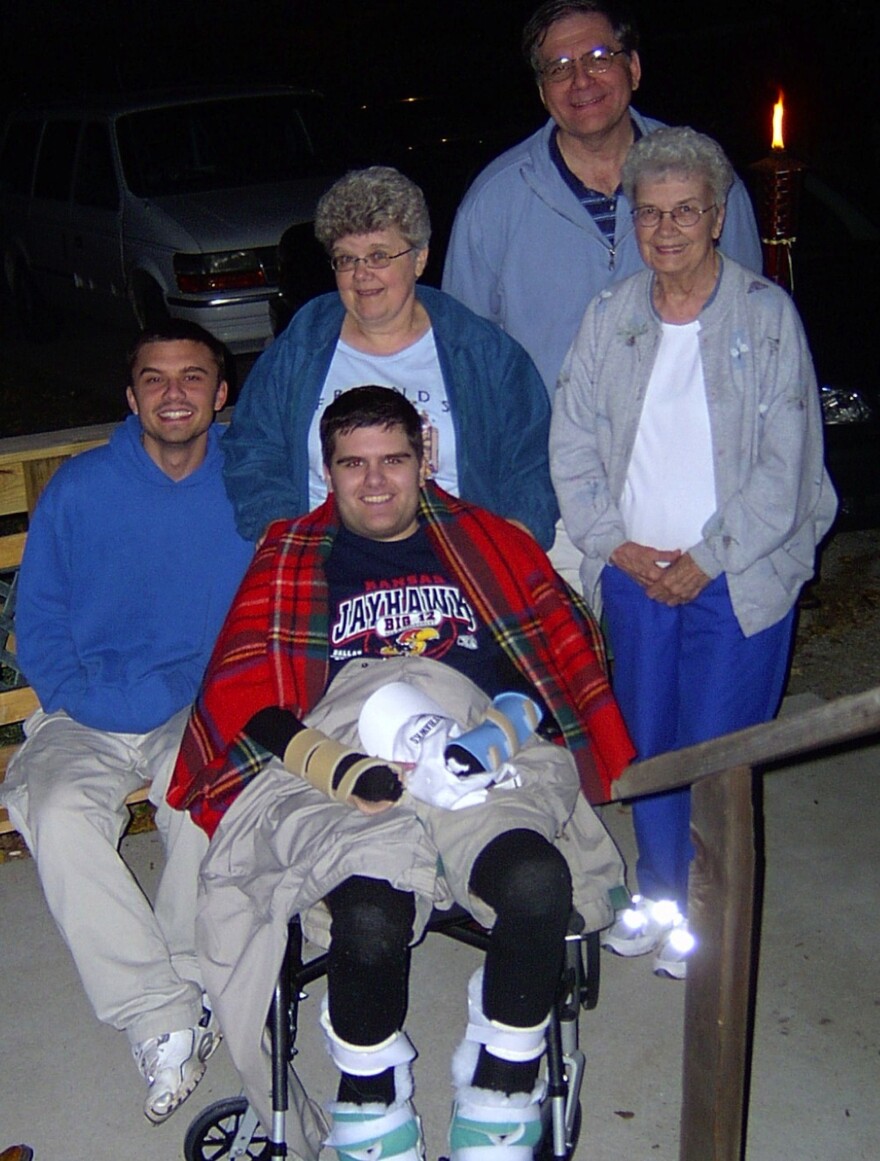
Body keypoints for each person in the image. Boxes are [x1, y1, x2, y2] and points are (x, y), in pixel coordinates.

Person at [168, 386, 634, 1161]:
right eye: (354, 464)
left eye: (393, 460)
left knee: (536, 883)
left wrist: (494, 732)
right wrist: (339, 767)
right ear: (328, 471)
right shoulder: (290, 554)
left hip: (473, 735)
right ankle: (370, 1102)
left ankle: (501, 1080)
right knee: (369, 918)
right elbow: (252, 707)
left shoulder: (489, 543)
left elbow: (544, 678)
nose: (376, 481)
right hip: (341, 749)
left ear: (425, 459)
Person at [550, 126, 837, 979]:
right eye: (649, 213)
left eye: (685, 211)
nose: (666, 228)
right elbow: (571, 444)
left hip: (735, 575)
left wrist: (706, 559)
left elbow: (789, 469)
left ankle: (709, 913)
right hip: (636, 571)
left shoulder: (763, 314)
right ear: (633, 223)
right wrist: (615, 544)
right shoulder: (610, 318)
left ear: (716, 218)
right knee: (645, 744)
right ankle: (660, 895)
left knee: (713, 746)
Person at [0, 322, 254, 1122]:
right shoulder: (81, 488)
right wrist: (80, 694)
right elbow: (35, 620)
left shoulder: (251, 486)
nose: (172, 392)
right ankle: (161, 1011)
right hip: (85, 703)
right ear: (132, 394)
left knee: (205, 793)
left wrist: (195, 688)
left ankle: (182, 978)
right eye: (154, 377)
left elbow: (261, 617)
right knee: (55, 808)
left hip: (196, 700)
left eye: (192, 377)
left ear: (221, 394)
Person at [442, 1, 762, 585]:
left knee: (673, 669)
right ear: (542, 90)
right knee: (563, 672)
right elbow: (465, 370)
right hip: (553, 500)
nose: (581, 80)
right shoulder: (494, 203)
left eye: (597, 57)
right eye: (558, 67)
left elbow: (752, 329)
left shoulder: (705, 178)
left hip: (687, 490)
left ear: (633, 68)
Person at [222, 166, 558, 548]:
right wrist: (283, 532)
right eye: (346, 259)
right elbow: (252, 449)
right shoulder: (302, 347)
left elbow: (532, 461)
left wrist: (511, 544)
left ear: (419, 259)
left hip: (457, 559)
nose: (361, 274)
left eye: (378, 255)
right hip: (328, 560)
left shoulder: (482, 353)